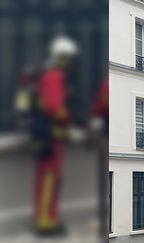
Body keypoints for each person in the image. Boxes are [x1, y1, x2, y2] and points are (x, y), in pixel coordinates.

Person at [33, 35, 77, 234]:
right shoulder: (54, 77)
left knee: (50, 179)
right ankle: (45, 222)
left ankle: (47, 218)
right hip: (51, 139)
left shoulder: (49, 76)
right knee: (50, 180)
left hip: (49, 138)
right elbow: (56, 108)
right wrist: (70, 118)